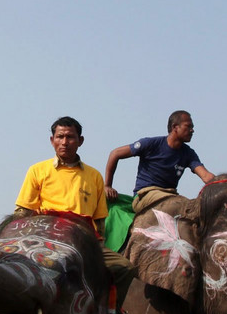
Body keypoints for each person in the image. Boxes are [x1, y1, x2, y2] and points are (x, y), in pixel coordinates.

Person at [14, 116, 136, 301]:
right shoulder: (37, 170)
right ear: (52, 140)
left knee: (126, 268)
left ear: (80, 141)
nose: (64, 142)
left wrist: (98, 247)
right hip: (47, 239)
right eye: (60, 136)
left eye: (70, 137)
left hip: (84, 241)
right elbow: (23, 211)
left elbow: (99, 220)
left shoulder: (94, 176)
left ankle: (110, 313)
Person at [104, 110, 214, 209]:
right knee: (180, 203)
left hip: (170, 196)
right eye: (188, 126)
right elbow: (115, 153)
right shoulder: (151, 144)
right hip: (145, 195)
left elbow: (206, 176)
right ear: (175, 127)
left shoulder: (188, 153)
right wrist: (107, 186)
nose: (192, 130)